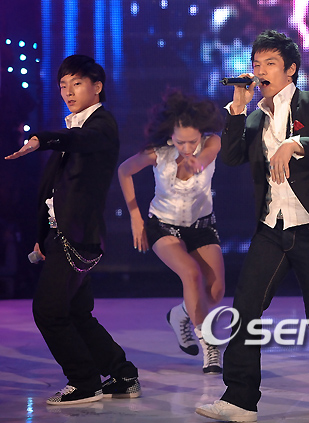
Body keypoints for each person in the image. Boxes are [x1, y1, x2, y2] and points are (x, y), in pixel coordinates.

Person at [196, 29, 309, 422]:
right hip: (271, 228)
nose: (260, 71)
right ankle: (240, 399)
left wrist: (296, 144)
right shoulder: (253, 118)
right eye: (256, 64)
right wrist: (236, 110)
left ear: (290, 69)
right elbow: (231, 157)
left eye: (270, 64)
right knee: (246, 307)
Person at [4, 54, 140, 405]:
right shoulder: (75, 129)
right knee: (76, 312)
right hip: (63, 235)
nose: (68, 91)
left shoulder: (100, 125)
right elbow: (53, 192)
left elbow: (79, 140)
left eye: (77, 83)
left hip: (77, 237)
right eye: (63, 85)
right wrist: (42, 235)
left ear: (97, 87)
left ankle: (84, 381)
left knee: (48, 311)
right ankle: (122, 373)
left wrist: (42, 138)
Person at [117, 88, 226, 374]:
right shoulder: (158, 154)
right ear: (170, 136)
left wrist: (197, 162)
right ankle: (210, 347)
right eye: (181, 142)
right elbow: (124, 171)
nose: (187, 147)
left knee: (215, 292)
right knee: (191, 273)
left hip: (202, 226)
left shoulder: (211, 142)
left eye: (192, 141)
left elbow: (208, 155)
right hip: (163, 226)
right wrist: (135, 217)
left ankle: (180, 314)